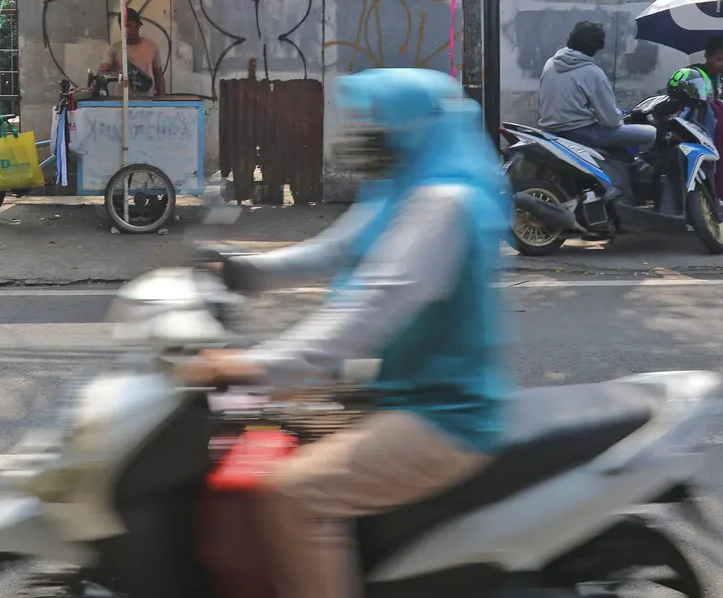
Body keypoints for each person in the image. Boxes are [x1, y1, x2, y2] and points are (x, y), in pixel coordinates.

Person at [177, 67, 513, 598]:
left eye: (378, 125)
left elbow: (369, 312)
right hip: (392, 392)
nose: (364, 137)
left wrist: (257, 368)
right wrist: (242, 271)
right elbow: (336, 251)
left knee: (291, 494)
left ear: (410, 130)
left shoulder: (442, 205)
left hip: (440, 415)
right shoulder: (402, 189)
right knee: (261, 430)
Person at [538, 20, 656, 149]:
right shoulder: (593, 73)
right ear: (598, 45)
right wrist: (618, 119)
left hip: (549, 131)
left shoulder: (550, 64)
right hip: (581, 133)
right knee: (651, 133)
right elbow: (611, 120)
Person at [98, 7, 166, 98]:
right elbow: (102, 71)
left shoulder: (152, 47)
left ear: (138, 25)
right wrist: (101, 73)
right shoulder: (114, 49)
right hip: (122, 102)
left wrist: (162, 98)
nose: (126, 30)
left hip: (148, 101)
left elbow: (159, 76)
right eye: (123, 26)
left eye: (129, 26)